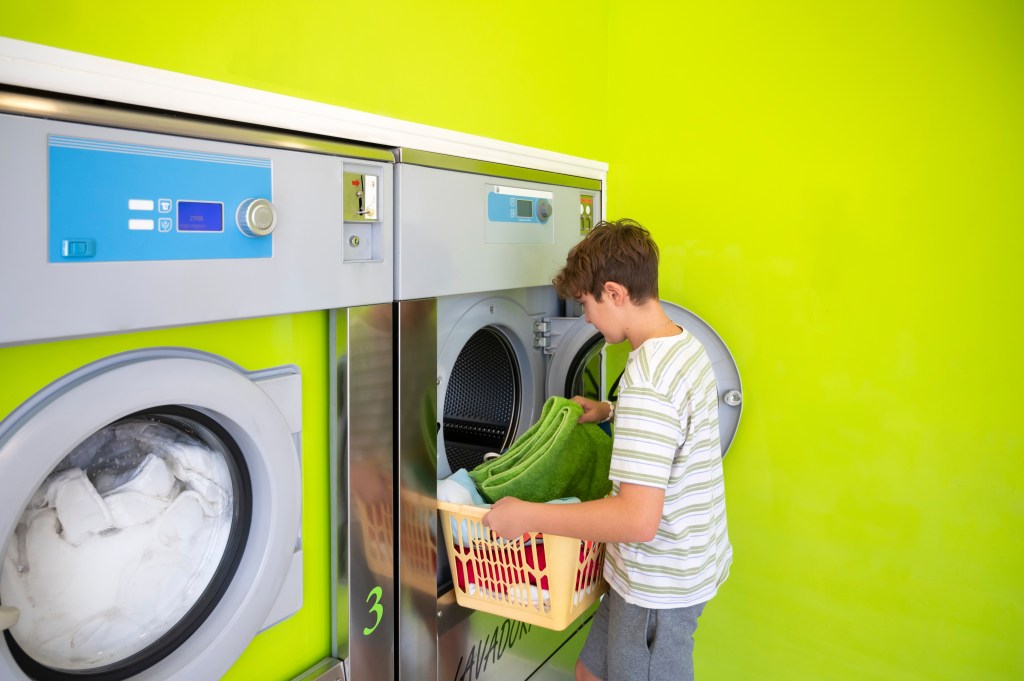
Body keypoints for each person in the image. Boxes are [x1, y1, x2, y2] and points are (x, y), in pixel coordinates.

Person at [482, 218, 732, 681]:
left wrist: (528, 516)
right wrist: (610, 412)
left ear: (615, 293)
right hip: (666, 565)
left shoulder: (648, 383)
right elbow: (678, 422)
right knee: (589, 672)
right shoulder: (681, 345)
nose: (586, 319)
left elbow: (637, 520)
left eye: (587, 304)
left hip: (659, 588)